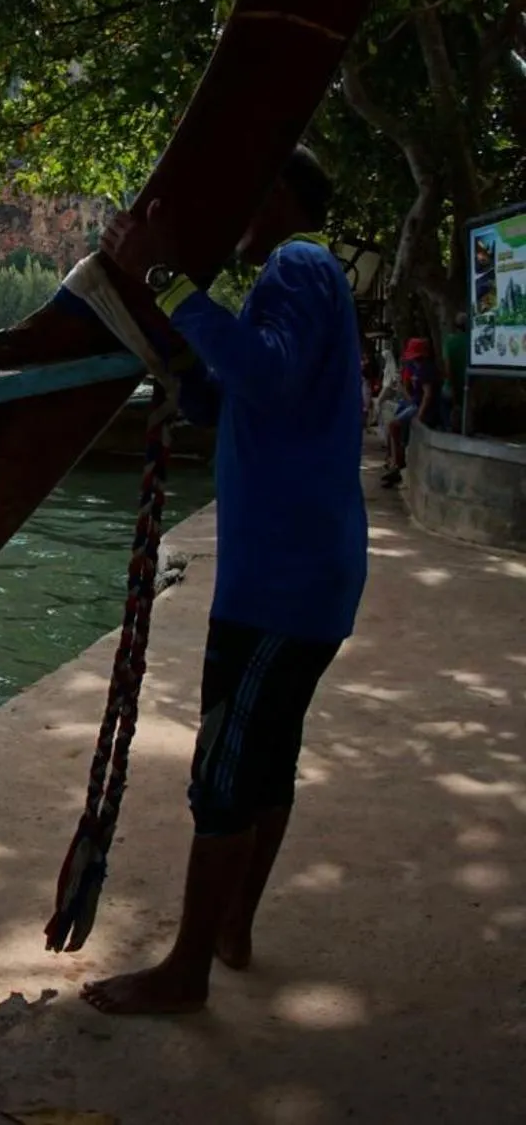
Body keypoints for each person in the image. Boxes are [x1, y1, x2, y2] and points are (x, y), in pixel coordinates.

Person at [85, 145, 367, 1016]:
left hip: (282, 583)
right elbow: (241, 392)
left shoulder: (298, 261)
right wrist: (180, 370)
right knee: (266, 759)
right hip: (294, 576)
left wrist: (164, 278)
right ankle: (233, 925)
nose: (233, 222)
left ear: (276, 193)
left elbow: (267, 377)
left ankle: (186, 972)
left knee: (224, 775)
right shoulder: (299, 281)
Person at [382, 337, 439, 486]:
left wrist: (420, 414)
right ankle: (395, 461)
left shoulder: (426, 369)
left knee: (394, 425)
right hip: (414, 403)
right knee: (393, 426)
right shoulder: (416, 368)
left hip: (420, 406)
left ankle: (398, 463)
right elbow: (411, 395)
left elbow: (428, 394)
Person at [441, 311, 469, 432]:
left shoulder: (449, 341)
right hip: (468, 387)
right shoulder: (471, 343)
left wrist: (451, 387)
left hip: (451, 387)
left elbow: (448, 367)